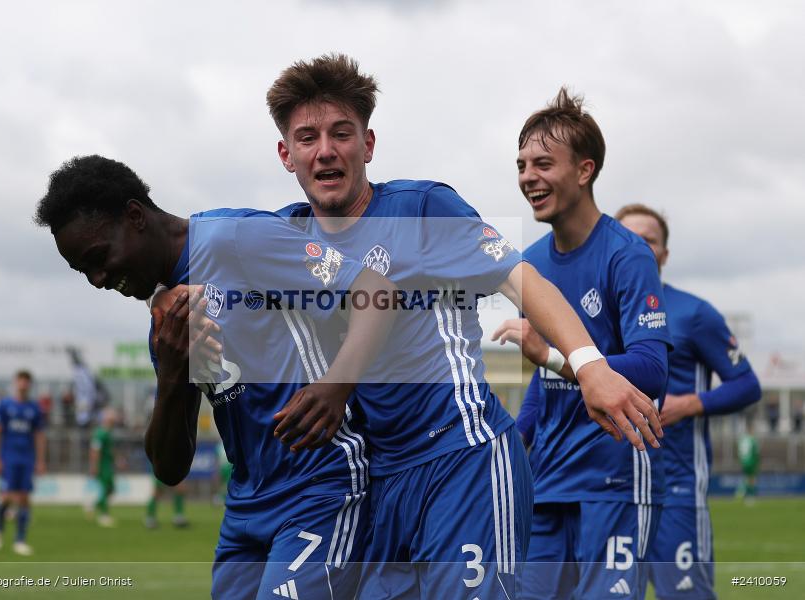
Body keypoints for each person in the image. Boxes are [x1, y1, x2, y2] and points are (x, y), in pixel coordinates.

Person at [259, 55, 661, 598]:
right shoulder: (285, 240)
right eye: (307, 137)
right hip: (381, 483)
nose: (325, 149)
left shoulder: (424, 208)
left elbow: (522, 281)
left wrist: (588, 366)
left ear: (368, 145)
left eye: (341, 133)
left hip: (462, 458)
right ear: (287, 154)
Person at [34, 154, 396, 599]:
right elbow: (170, 468)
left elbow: (377, 290)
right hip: (246, 506)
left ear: (134, 216)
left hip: (320, 484)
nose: (98, 279)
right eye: (82, 271)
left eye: (98, 257)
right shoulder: (167, 321)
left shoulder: (235, 239)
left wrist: (336, 386)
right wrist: (171, 376)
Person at [507, 89, 672, 599]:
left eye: (542, 163)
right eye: (520, 165)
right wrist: (513, 448)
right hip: (548, 482)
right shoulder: (528, 263)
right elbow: (540, 381)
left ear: (584, 170)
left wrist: (555, 359)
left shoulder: (627, 254)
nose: (527, 177)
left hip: (615, 482)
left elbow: (651, 369)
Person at [617, 203, 762, 599]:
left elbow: (747, 384)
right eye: (630, 238)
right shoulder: (597, 311)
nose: (641, 247)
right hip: (610, 490)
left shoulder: (694, 313)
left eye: (651, 240)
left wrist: (690, 404)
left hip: (675, 486)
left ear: (664, 253)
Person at [0, 370, 46, 556]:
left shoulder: (34, 408)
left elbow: (39, 435)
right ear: (15, 382)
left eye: (27, 381)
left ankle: (20, 540)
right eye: (21, 381)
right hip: (9, 457)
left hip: (27, 458)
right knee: (8, 496)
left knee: (25, 499)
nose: (23, 384)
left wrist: (41, 460)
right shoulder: (4, 405)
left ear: (29, 384)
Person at [90, 406, 119, 527]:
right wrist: (94, 466)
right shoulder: (100, 433)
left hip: (108, 464)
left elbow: (110, 450)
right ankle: (103, 515)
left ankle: (93, 505)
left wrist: (116, 460)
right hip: (103, 465)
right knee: (105, 488)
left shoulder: (108, 432)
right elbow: (95, 450)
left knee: (111, 489)